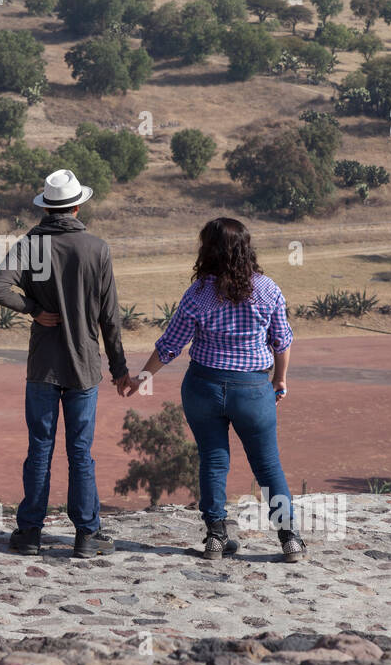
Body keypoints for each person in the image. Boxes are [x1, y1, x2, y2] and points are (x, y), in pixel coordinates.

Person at [129, 218, 305, 563]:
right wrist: (279, 380)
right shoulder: (268, 289)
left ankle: (215, 538)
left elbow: (170, 346)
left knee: (212, 460)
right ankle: (289, 540)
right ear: (246, 248)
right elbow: (282, 341)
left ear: (207, 250)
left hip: (203, 387)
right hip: (254, 389)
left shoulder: (198, 294)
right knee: (268, 465)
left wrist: (141, 378)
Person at [0, 169, 133, 559]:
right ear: (77, 205)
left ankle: (30, 533)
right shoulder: (97, 248)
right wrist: (119, 369)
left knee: (39, 449)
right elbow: (110, 317)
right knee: (80, 452)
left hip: (43, 369)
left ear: (46, 207)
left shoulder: (30, 245)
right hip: (84, 368)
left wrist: (34, 308)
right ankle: (86, 535)